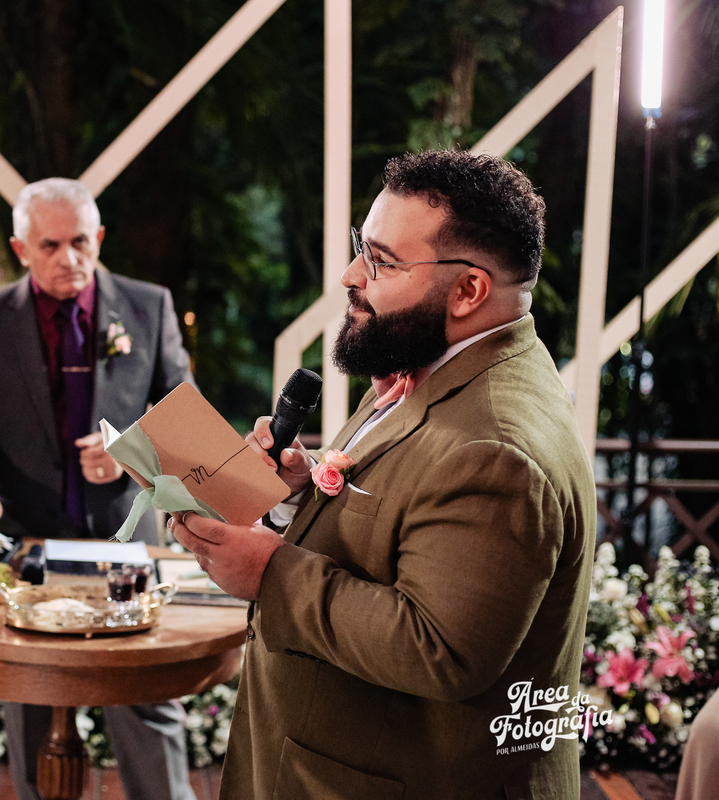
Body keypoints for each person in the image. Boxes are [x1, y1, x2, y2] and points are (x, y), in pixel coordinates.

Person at [170, 150, 597, 799]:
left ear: (469, 290)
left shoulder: (500, 449)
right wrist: (296, 495)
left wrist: (268, 573)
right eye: (359, 249)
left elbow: (442, 649)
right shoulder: (427, 359)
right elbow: (403, 518)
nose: (350, 276)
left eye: (382, 262)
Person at [0, 177, 197, 800]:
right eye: (50, 245)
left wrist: (131, 461)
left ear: (99, 237)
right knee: (31, 715)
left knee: (146, 709)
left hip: (126, 545)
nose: (68, 259)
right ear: (20, 248)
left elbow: (185, 426)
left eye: (80, 242)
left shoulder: (148, 306)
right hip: (26, 546)